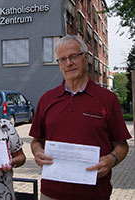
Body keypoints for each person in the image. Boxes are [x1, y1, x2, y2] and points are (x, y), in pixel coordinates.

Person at [29, 35, 131, 200]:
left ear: (85, 58)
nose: (68, 63)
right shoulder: (47, 99)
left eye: (73, 56)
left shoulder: (107, 99)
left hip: (94, 193)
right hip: (51, 193)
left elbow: (122, 145)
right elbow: (36, 140)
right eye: (62, 59)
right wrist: (37, 151)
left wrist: (111, 159)